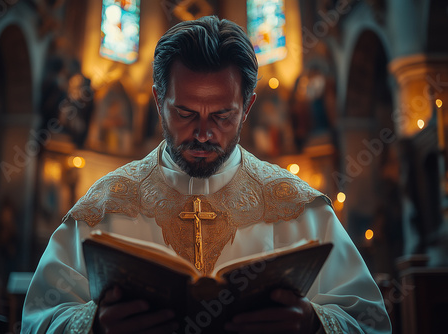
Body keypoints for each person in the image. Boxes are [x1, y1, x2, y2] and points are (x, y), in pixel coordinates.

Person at [22, 16, 391, 333]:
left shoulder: (299, 207)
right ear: (158, 102)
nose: (202, 133)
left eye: (221, 115)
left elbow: (372, 322)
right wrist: (94, 324)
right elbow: (36, 321)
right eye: (184, 113)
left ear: (247, 107)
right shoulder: (103, 207)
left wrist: (314, 324)